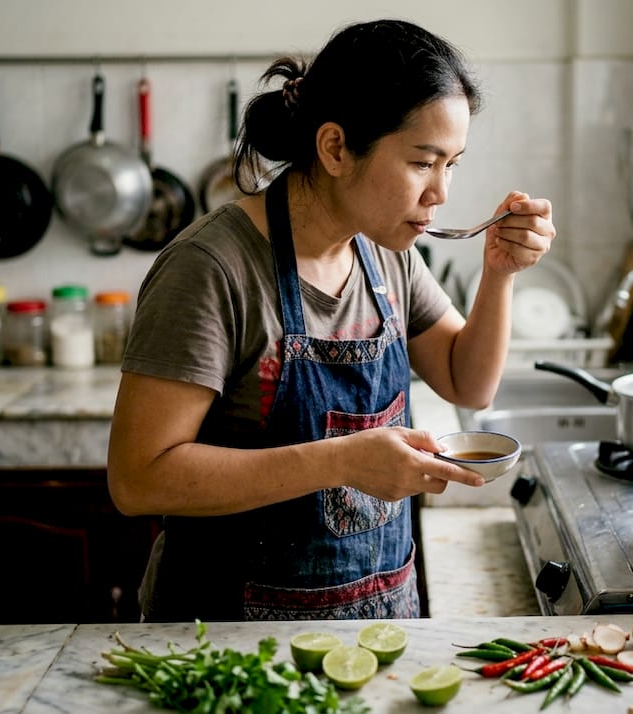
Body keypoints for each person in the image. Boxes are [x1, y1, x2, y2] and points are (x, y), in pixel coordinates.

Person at [107, 18, 556, 622]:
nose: (441, 193)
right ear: (336, 148)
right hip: (225, 643)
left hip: (374, 634)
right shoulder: (212, 269)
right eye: (423, 163)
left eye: (452, 163)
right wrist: (343, 460)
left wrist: (498, 272)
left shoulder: (385, 254)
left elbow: (465, 381)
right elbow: (138, 480)